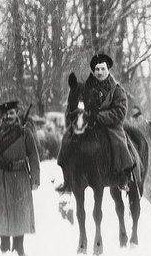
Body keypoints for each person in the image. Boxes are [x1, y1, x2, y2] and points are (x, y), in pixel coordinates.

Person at [57, 53, 137, 190]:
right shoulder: (87, 87)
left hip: (111, 126)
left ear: (108, 70)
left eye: (102, 69)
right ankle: (68, 178)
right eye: (97, 69)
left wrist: (98, 116)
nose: (99, 72)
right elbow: (76, 103)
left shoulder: (117, 90)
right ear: (94, 71)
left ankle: (123, 175)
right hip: (89, 123)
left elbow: (120, 112)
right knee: (68, 139)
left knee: (118, 142)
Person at [0, 100, 41, 256]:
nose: (8, 116)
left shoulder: (25, 133)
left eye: (12, 113)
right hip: (0, 178)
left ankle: (19, 247)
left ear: (17, 114)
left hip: (20, 176)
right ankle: (5, 246)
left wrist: (35, 178)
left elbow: (33, 156)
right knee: (3, 213)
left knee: (20, 212)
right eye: (6, 114)